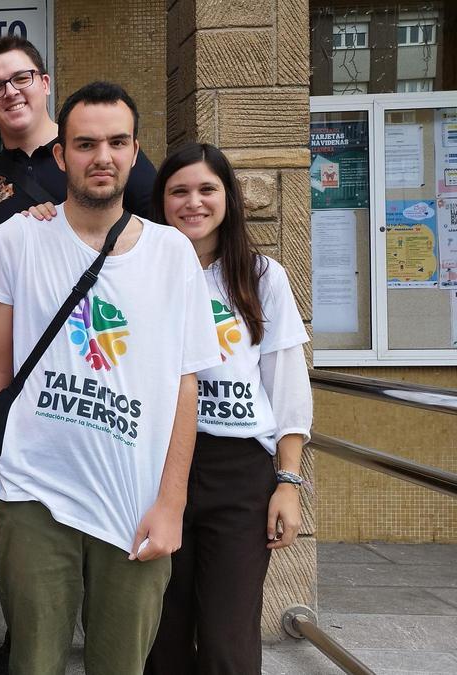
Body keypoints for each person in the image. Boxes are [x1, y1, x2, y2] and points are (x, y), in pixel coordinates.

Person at [0, 82, 219, 674]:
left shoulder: (171, 253)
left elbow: (187, 382)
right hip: (33, 490)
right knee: (32, 662)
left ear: (135, 153)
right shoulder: (16, 239)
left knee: (120, 664)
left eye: (116, 142)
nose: (101, 157)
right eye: (84, 144)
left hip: (134, 496)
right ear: (61, 155)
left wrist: (172, 502)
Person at [144, 143, 309, 675]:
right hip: (156, 467)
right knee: (161, 630)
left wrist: (288, 481)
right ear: (161, 201)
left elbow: (286, 384)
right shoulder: (139, 272)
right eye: (179, 191)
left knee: (227, 638)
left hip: (238, 472)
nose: (193, 202)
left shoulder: (263, 277)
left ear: (229, 198)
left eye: (207, 189)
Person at [0, 35, 157, 237]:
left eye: (21, 78)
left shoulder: (106, 153)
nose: (10, 92)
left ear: (45, 84)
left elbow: (158, 228)